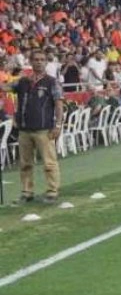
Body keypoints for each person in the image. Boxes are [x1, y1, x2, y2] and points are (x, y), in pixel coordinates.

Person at [2, 50, 64, 204]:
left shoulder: (52, 82)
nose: (39, 62)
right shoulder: (22, 81)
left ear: (46, 62)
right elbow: (4, 87)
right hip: (24, 129)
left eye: (42, 59)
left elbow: (59, 104)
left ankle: (52, 191)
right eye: (36, 59)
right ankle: (27, 192)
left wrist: (58, 125)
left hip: (44, 129)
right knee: (25, 164)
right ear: (30, 61)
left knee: (49, 163)